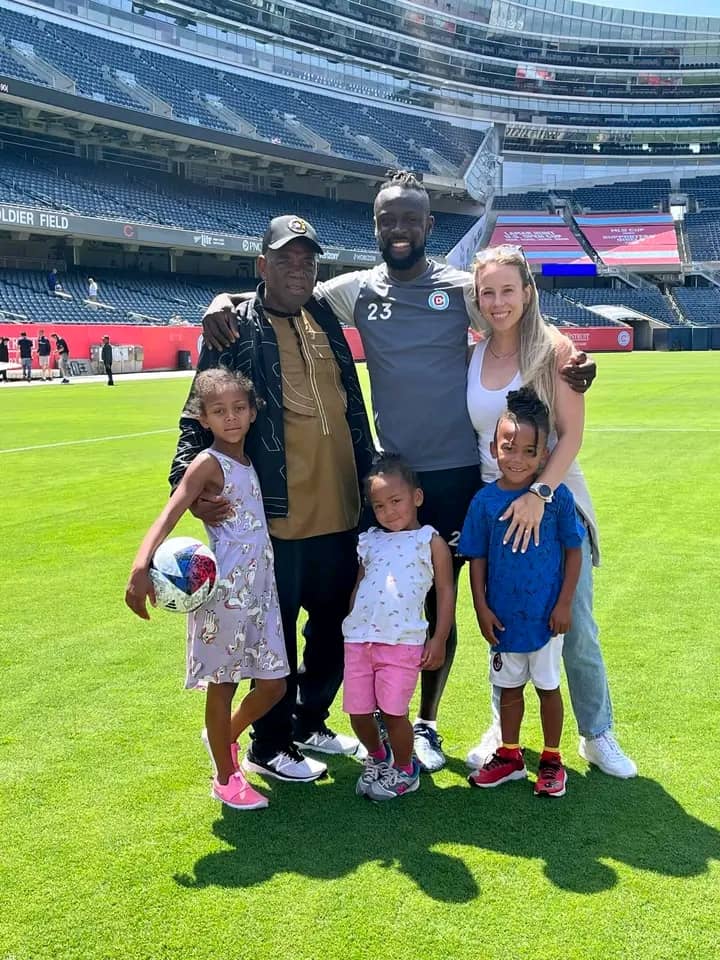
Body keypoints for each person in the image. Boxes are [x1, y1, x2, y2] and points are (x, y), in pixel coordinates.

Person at [200, 171, 597, 773]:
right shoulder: (356, 290)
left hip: (459, 476)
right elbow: (287, 286)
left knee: (443, 603)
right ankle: (353, 716)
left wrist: (572, 354)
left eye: (411, 219)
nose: (400, 229)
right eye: (389, 220)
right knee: (378, 600)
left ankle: (426, 724)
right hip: (393, 480)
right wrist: (223, 300)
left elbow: (515, 309)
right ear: (376, 227)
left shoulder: (461, 289)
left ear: (430, 225)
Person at [169, 215, 375, 784]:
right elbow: (195, 415)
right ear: (262, 265)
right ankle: (269, 743)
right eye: (285, 259)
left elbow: (351, 406)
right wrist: (187, 483)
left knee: (333, 629)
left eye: (307, 261)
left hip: (343, 511)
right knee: (274, 642)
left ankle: (310, 722)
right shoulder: (234, 328)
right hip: (275, 519)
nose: (298, 270)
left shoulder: (324, 316)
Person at [464, 244, 636, 778]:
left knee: (575, 624)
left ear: (527, 292)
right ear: (476, 297)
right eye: (487, 292)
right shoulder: (473, 353)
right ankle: (503, 731)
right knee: (504, 623)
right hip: (497, 509)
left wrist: (538, 496)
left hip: (553, 501)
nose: (498, 302)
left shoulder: (555, 350)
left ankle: (597, 733)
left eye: (507, 290)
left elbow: (572, 435)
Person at [126, 368, 288, 811]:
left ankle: (223, 738)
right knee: (224, 685)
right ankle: (224, 778)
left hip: (261, 593)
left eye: (238, 408)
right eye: (219, 411)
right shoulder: (207, 463)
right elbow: (170, 512)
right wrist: (141, 565)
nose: (230, 418)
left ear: (252, 413)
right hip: (223, 598)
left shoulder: (248, 460)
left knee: (274, 685)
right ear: (204, 418)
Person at [460, 388, 584, 797]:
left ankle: (552, 760)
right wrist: (481, 608)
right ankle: (510, 755)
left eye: (529, 452)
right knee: (509, 688)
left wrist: (564, 603)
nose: (517, 459)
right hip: (504, 618)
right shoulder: (483, 502)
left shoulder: (556, 497)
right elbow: (477, 558)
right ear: (493, 448)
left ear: (544, 455)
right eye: (508, 447)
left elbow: (573, 550)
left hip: (546, 617)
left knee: (548, 687)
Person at [344, 455, 454, 802]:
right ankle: (379, 757)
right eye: (379, 505)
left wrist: (439, 638)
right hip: (359, 640)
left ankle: (406, 769)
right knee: (358, 713)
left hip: (402, 642)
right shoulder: (370, 540)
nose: (388, 511)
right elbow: (360, 584)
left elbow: (445, 591)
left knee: (393, 713)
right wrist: (352, 620)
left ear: (416, 497)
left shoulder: (429, 541)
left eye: (396, 501)